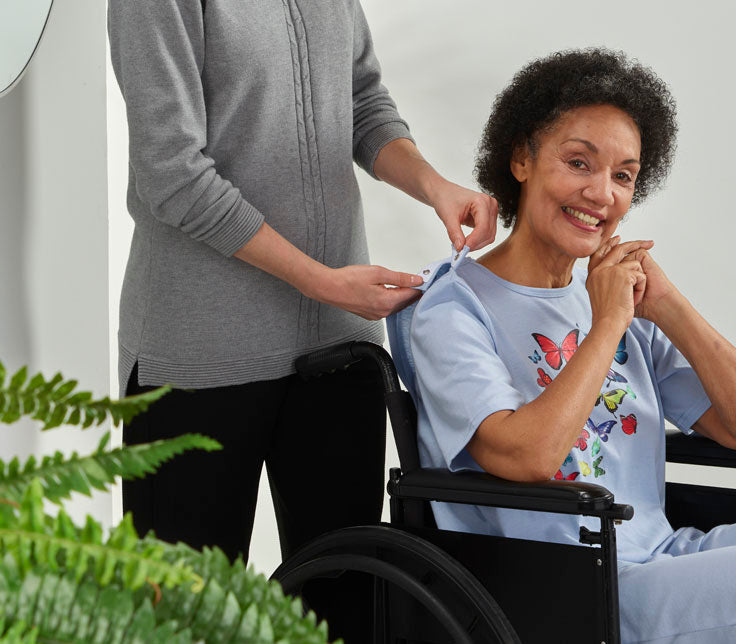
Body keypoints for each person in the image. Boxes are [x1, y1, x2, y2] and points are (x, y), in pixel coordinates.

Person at [392, 49, 736, 643]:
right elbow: (527, 459)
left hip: (662, 553)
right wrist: (606, 325)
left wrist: (668, 305)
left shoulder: (614, 294)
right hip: (570, 583)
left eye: (623, 176)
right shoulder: (454, 308)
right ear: (521, 158)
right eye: (578, 162)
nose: (601, 193)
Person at [108, 0, 496, 640]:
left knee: (345, 608)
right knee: (183, 620)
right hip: (201, 355)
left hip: (339, 353)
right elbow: (171, 173)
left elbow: (363, 101)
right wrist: (323, 281)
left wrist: (435, 187)